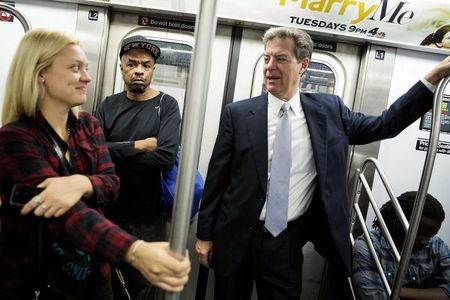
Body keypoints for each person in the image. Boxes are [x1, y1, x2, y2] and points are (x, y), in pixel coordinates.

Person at [195, 26, 450, 300]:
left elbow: (384, 126)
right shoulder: (239, 114)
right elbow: (217, 178)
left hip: (286, 240)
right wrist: (204, 235)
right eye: (266, 58)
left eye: (280, 59)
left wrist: (433, 77)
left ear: (303, 64)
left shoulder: (329, 111)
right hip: (235, 236)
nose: (269, 66)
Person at [0, 28, 190, 300]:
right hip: (38, 279)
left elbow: (112, 182)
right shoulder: (15, 139)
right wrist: (135, 251)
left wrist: (82, 182)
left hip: (94, 268)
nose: (87, 77)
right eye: (76, 68)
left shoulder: (86, 126)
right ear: (40, 73)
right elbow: (68, 215)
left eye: (86, 68)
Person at [94, 35, 181, 299]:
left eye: (146, 65)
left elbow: (165, 158)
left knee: (142, 288)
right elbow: (95, 154)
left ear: (153, 69)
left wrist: (116, 151)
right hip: (107, 212)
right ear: (121, 67)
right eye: (132, 64)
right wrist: (138, 146)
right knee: (104, 285)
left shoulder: (166, 106)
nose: (139, 70)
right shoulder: (109, 105)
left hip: (147, 218)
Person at [352, 191, 450, 299]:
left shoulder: (437, 246)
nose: (425, 242)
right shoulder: (369, 247)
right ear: (398, 221)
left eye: (430, 236)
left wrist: (397, 291)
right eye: (420, 234)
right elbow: (374, 297)